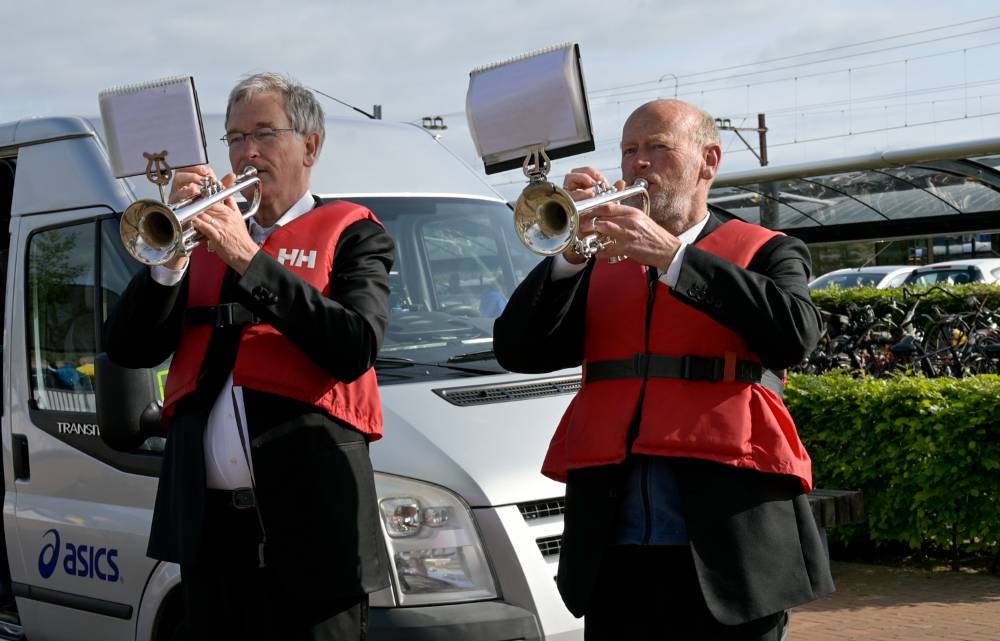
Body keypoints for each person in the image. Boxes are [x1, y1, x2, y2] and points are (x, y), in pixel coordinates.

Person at [493, 99, 833, 640]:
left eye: (658, 147)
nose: (639, 163)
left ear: (708, 161)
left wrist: (675, 258)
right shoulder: (597, 259)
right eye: (629, 150)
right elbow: (518, 350)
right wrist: (569, 255)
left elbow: (795, 336)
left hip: (730, 547)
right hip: (615, 550)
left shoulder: (770, 250)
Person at [104, 72, 394, 640]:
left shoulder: (355, 234)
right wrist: (169, 263)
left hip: (313, 526)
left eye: (264, 133)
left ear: (310, 146)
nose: (247, 152)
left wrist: (247, 257)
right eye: (235, 138)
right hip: (213, 533)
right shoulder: (201, 240)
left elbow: (355, 346)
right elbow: (129, 347)